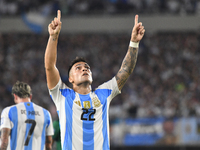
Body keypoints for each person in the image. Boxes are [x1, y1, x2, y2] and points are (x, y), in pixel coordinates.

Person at [44, 10, 145, 150]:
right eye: (78, 68)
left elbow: (125, 71)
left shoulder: (103, 94)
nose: (84, 69)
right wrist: (53, 37)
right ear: (70, 79)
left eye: (87, 67)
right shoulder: (62, 95)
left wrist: (134, 43)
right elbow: (49, 66)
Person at [0, 81, 54, 150]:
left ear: (15, 96)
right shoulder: (46, 113)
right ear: (30, 96)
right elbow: (48, 144)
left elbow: (4, 140)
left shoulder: (8, 111)